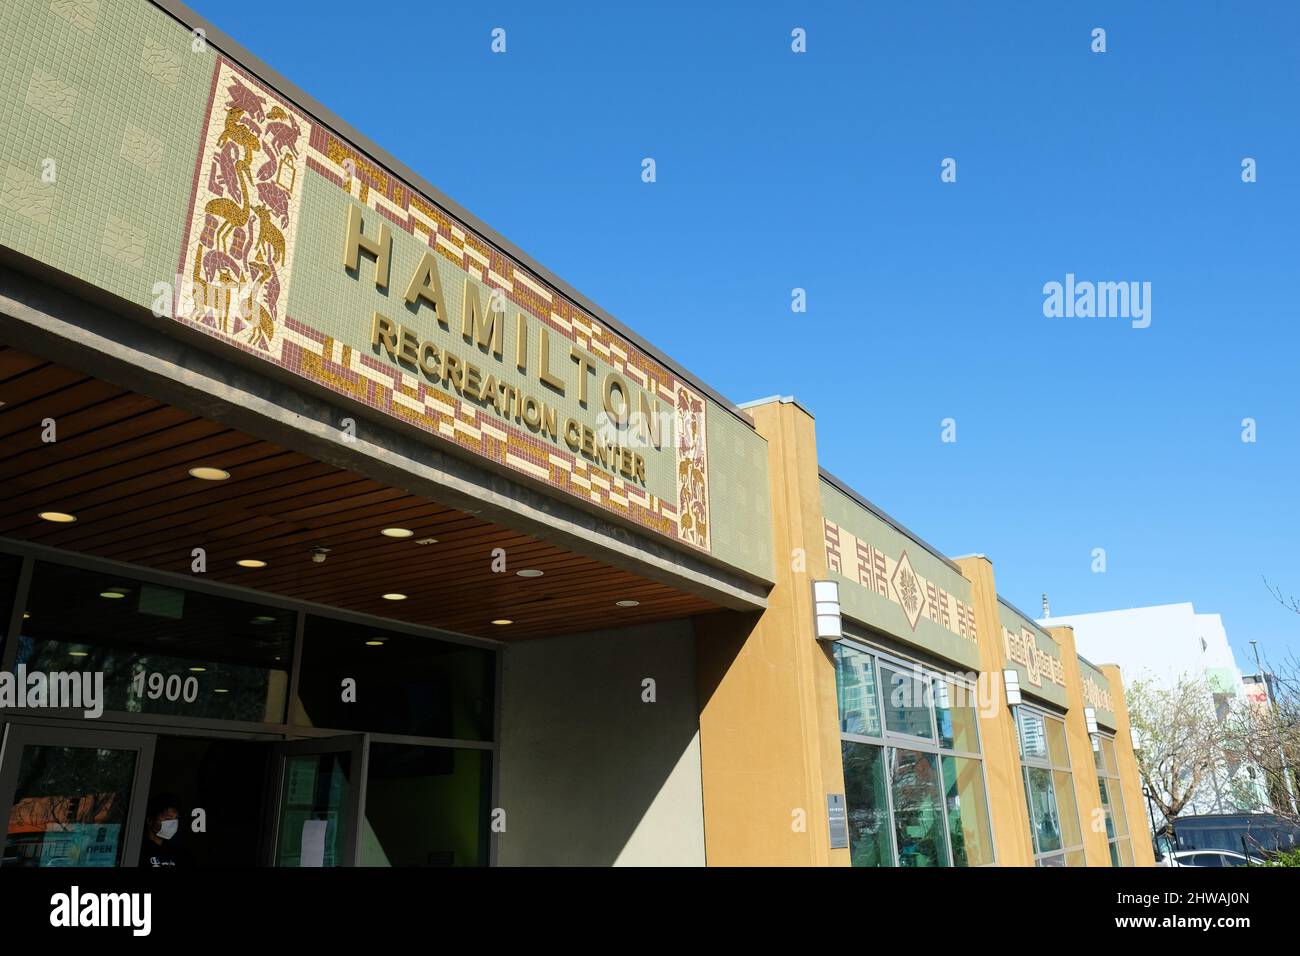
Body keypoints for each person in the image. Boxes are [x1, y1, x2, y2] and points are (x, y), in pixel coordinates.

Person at [138, 794, 187, 867]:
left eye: (176, 818)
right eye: (168, 819)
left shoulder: (177, 852)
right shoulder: (137, 849)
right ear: (150, 820)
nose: (173, 823)